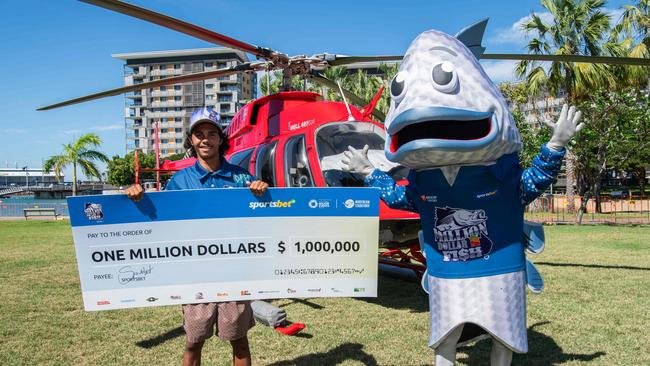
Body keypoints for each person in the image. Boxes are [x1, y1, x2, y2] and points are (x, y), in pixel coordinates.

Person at [126, 107, 268, 366]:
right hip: (195, 274)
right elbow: (161, 220)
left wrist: (260, 189)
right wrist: (137, 198)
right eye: (199, 134)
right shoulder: (180, 180)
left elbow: (259, 214)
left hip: (233, 271)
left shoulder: (240, 177)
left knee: (239, 341)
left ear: (220, 138)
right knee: (193, 340)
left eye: (211, 133)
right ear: (191, 140)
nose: (205, 139)